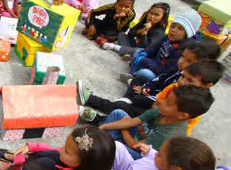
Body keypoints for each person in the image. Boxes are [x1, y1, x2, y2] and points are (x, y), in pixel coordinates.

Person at [78, 39, 222, 125]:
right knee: (138, 81)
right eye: (182, 57)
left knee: (126, 108)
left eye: (189, 61)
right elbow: (161, 81)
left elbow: (159, 108)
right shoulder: (182, 76)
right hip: (155, 105)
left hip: (154, 116)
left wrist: (146, 98)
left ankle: (97, 112)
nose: (182, 62)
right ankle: (114, 102)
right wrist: (147, 87)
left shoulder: (192, 101)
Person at [79, 59, 225, 135]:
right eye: (182, 77)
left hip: (154, 127)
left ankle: (96, 119)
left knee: (127, 120)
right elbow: (156, 105)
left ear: (207, 86)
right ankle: (91, 100)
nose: (182, 81)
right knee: (122, 108)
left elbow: (173, 127)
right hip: (152, 113)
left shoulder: (196, 105)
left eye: (189, 80)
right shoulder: (174, 87)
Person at [99, 85, 214, 159]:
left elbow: (135, 146)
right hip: (133, 137)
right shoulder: (161, 111)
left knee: (119, 149)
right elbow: (133, 121)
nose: (162, 102)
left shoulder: (168, 135)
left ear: (182, 115)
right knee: (118, 113)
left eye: (168, 103)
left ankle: (102, 150)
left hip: (139, 154)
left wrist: (124, 131)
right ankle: (102, 142)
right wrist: (104, 127)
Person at [124, 10, 202, 82]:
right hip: (154, 62)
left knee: (144, 73)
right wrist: (146, 53)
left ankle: (134, 78)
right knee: (139, 51)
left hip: (160, 73)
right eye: (173, 26)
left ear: (187, 34)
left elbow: (165, 70)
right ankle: (133, 73)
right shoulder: (169, 37)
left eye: (180, 29)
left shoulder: (182, 50)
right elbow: (155, 47)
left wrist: (145, 61)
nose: (174, 30)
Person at [101, 3, 170, 60]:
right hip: (134, 45)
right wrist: (139, 31)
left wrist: (144, 33)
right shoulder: (144, 22)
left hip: (142, 51)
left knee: (138, 51)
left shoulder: (159, 32)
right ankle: (127, 53)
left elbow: (146, 49)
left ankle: (114, 47)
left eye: (156, 15)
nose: (152, 16)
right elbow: (130, 34)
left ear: (162, 18)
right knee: (121, 34)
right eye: (151, 13)